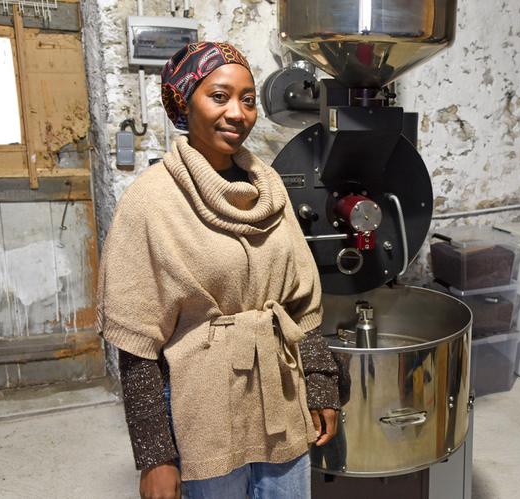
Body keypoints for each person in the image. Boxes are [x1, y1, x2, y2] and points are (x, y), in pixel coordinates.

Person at [96, 41, 340, 499]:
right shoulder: (151, 202)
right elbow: (135, 340)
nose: (238, 113)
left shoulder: (270, 190)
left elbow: (300, 304)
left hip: (281, 398)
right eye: (220, 96)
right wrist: (155, 456)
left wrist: (322, 386)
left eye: (248, 100)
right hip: (202, 410)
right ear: (184, 102)